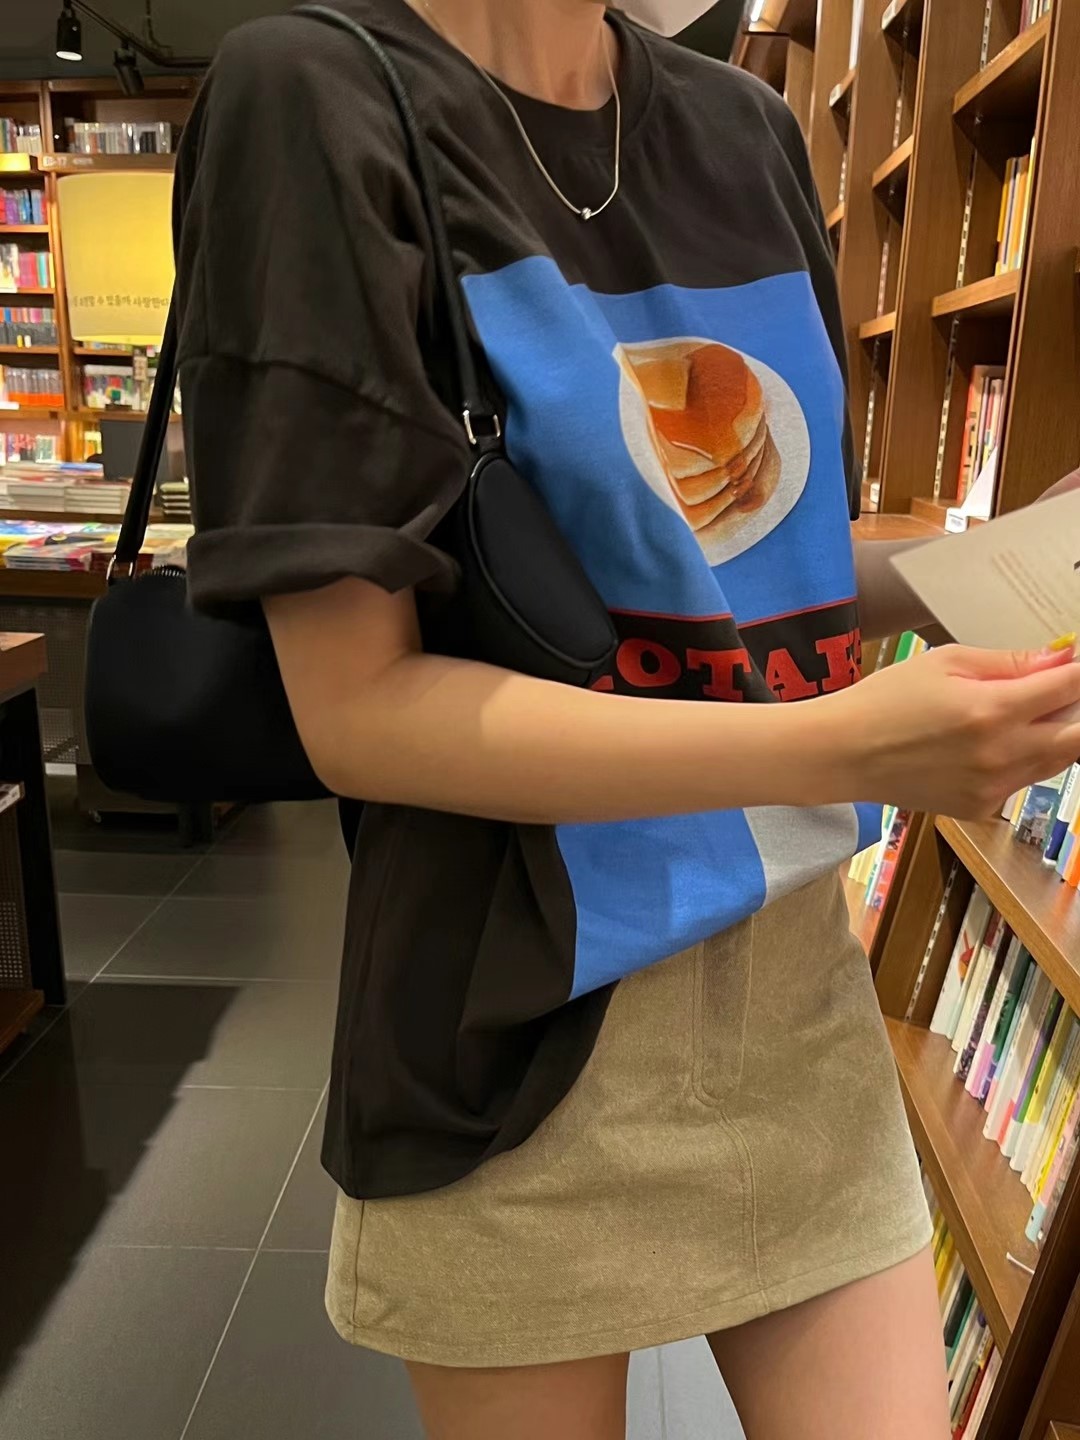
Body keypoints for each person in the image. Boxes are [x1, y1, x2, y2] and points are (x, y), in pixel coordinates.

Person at [172, 3, 1080, 1436]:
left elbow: (744, 563)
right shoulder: (321, 95)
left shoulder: (747, 130)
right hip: (522, 1027)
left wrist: (999, 564)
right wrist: (847, 745)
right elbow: (358, 709)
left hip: (797, 998)